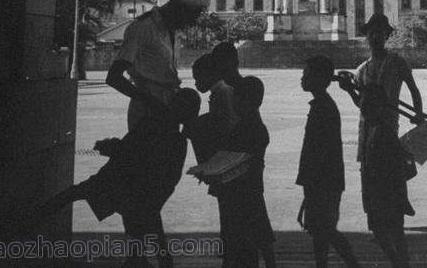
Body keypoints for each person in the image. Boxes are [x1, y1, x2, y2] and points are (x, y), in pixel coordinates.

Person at [39, 88, 201, 268]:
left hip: (120, 181)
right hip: (141, 190)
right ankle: (145, 260)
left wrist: (112, 147)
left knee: (75, 193)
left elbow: (131, 150)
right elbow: (166, 176)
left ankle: (33, 221)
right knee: (148, 225)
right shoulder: (176, 140)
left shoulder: (154, 123)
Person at [107, 0, 209, 128]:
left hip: (169, 108)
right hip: (147, 113)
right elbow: (113, 77)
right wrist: (149, 101)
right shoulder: (142, 27)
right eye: (188, 19)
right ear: (178, 10)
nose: (189, 25)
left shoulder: (171, 30)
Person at [296, 56, 360, 268]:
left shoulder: (323, 108)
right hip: (324, 181)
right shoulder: (323, 105)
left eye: (306, 74)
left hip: (322, 182)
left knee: (324, 230)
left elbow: (319, 151)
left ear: (317, 78)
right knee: (321, 231)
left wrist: (310, 185)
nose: (302, 78)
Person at [338, 13, 425, 162]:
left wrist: (418, 113)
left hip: (388, 126)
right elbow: (362, 103)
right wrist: (350, 91)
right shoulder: (362, 70)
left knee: (388, 170)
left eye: (379, 33)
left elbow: (413, 89)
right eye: (371, 34)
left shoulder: (397, 62)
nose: (375, 37)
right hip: (367, 129)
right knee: (368, 172)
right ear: (366, 37)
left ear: (386, 36)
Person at [213, 76, 276, 268]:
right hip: (254, 189)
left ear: (243, 101)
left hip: (240, 192)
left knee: (241, 242)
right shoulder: (256, 127)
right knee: (260, 234)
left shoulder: (243, 128)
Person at [360, 84, 414, 268]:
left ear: (381, 106)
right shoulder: (373, 127)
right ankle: (399, 263)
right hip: (378, 193)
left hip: (386, 194)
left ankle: (401, 264)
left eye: (371, 105)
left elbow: (395, 168)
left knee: (392, 233)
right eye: (364, 104)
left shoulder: (383, 132)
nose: (366, 109)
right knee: (385, 232)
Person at [191, 52, 238, 161]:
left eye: (198, 79)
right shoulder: (221, 90)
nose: (196, 84)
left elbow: (226, 123)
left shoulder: (222, 92)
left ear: (209, 75)